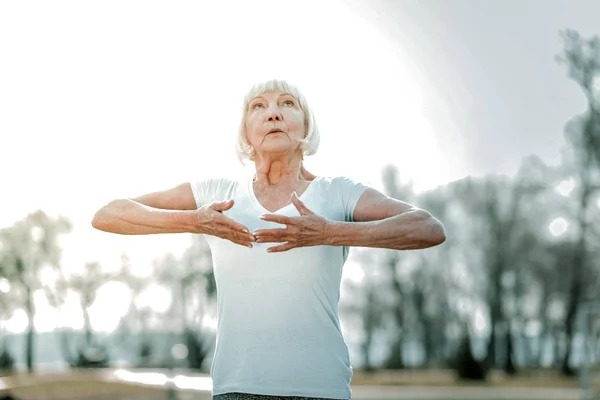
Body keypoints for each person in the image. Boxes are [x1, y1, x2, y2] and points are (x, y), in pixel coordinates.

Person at [91, 79, 446, 400]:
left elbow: (428, 227)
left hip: (320, 389)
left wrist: (329, 233)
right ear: (246, 133)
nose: (273, 113)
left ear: (305, 126)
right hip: (235, 388)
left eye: (287, 104)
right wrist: (196, 221)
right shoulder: (217, 193)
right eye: (258, 106)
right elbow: (108, 214)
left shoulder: (337, 193)